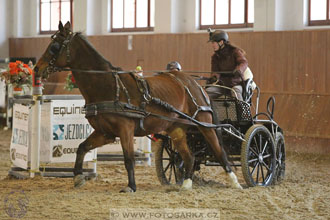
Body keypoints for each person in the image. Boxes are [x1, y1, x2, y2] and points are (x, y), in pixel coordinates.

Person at [206, 28, 252, 101]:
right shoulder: (214, 57)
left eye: (213, 42)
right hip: (222, 85)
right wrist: (214, 77)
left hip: (236, 83)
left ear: (221, 42)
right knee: (207, 93)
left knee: (236, 92)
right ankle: (212, 112)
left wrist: (239, 70)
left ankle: (242, 112)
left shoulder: (235, 52)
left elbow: (243, 62)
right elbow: (215, 71)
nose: (212, 45)